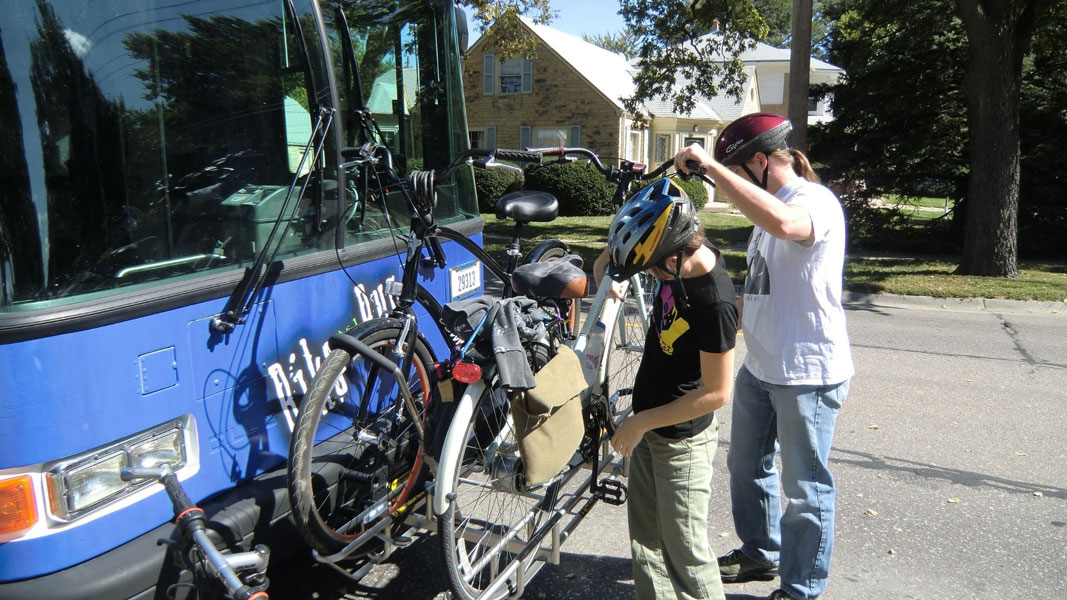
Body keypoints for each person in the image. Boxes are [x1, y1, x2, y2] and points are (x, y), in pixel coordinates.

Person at [674, 113, 854, 600]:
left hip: (807, 371)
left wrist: (711, 167)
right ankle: (761, 552)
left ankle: (802, 589)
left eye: (736, 169)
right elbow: (759, 288)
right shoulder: (769, 208)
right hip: (761, 364)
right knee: (747, 466)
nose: (729, 181)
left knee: (806, 491)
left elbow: (784, 225)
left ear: (759, 161)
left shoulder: (812, 201)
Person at [595, 178, 738, 600]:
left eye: (653, 268)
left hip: (682, 442)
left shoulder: (714, 301)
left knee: (687, 556)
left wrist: (640, 422)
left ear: (675, 255)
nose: (650, 276)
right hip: (649, 428)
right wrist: (619, 251)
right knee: (648, 547)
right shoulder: (672, 260)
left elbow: (717, 392)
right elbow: (605, 268)